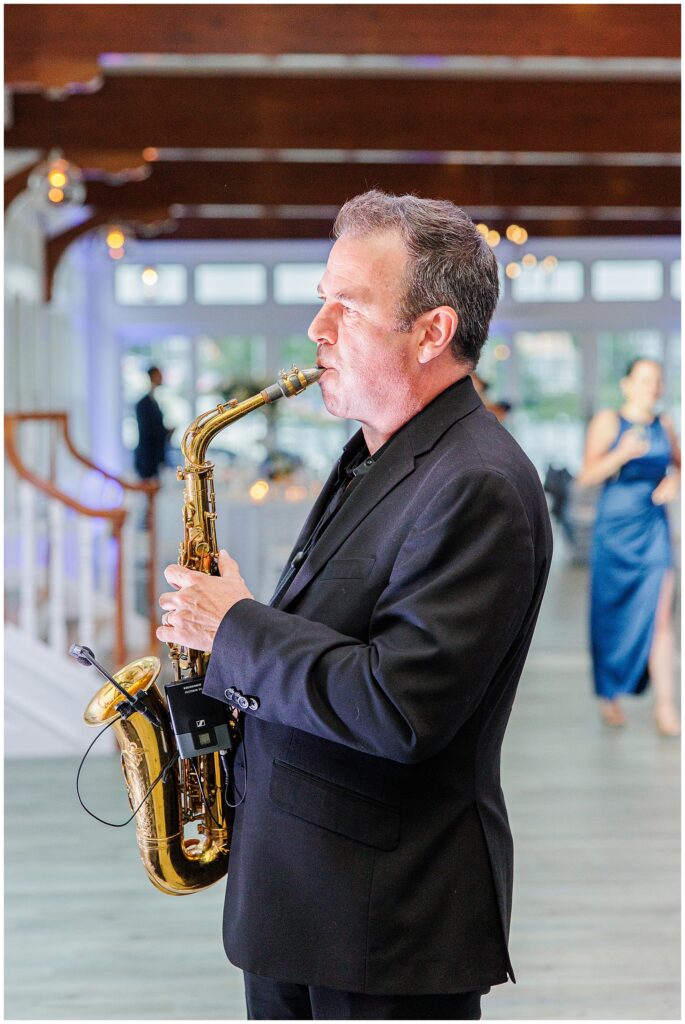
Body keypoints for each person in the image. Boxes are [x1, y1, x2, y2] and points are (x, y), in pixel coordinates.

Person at [157, 191, 553, 1020]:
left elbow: (399, 707)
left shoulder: (477, 481)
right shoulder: (376, 452)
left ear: (432, 331)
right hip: (308, 902)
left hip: (383, 927)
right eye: (320, 300)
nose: (318, 330)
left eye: (349, 305)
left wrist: (234, 625)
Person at [577, 357, 680, 735]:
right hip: (615, 529)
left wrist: (674, 481)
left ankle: (666, 707)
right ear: (627, 384)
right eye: (644, 379)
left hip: (653, 528)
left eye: (657, 380)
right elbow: (587, 475)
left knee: (661, 617)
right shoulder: (609, 421)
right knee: (612, 611)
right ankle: (610, 694)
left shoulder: (664, 424)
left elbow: (678, 465)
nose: (651, 387)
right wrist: (622, 453)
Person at [133, 366, 169, 480]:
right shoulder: (143, 403)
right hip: (147, 458)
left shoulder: (154, 401)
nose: (161, 378)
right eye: (159, 375)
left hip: (154, 457)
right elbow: (147, 430)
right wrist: (164, 432)